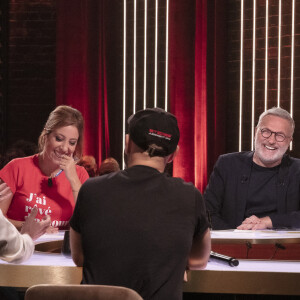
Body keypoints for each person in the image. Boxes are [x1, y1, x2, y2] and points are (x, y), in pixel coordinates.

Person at [70, 108, 211, 300]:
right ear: (173, 155)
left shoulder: (90, 189)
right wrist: (170, 262)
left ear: (127, 144)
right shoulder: (190, 195)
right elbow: (201, 259)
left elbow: (79, 256)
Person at [204, 107, 300, 230]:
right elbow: (207, 212)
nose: (271, 140)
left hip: (281, 246)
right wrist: (238, 235)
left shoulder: (297, 170)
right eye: (266, 131)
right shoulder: (227, 164)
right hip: (233, 244)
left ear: (289, 141)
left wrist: (268, 222)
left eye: (280, 135)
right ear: (256, 132)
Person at [0, 105, 89, 231]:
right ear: (46, 135)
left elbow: (89, 222)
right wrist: (31, 227)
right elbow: (0, 220)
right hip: (22, 247)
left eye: (72, 142)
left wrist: (73, 180)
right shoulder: (16, 168)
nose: (64, 148)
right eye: (59, 139)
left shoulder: (80, 175)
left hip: (62, 249)